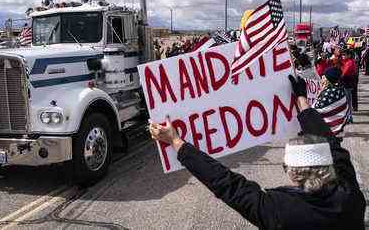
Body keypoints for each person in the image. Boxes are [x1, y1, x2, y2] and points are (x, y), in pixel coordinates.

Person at [149, 76, 366, 230]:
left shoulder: (278, 212)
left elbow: (226, 184)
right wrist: (301, 100)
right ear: (327, 166)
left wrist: (176, 141)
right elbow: (333, 145)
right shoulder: (351, 197)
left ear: (292, 173)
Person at [314, 67, 348, 135]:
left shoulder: (329, 93)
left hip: (329, 131)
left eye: (323, 76)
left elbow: (315, 111)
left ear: (327, 79)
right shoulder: (339, 89)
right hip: (338, 130)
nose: (321, 78)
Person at [341, 49, 358, 120]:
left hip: (347, 83)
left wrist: (339, 78)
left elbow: (344, 74)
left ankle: (349, 117)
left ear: (349, 55)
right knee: (349, 101)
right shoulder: (348, 62)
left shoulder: (349, 62)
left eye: (344, 55)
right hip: (349, 83)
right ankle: (349, 116)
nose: (343, 56)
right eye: (342, 54)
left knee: (348, 101)